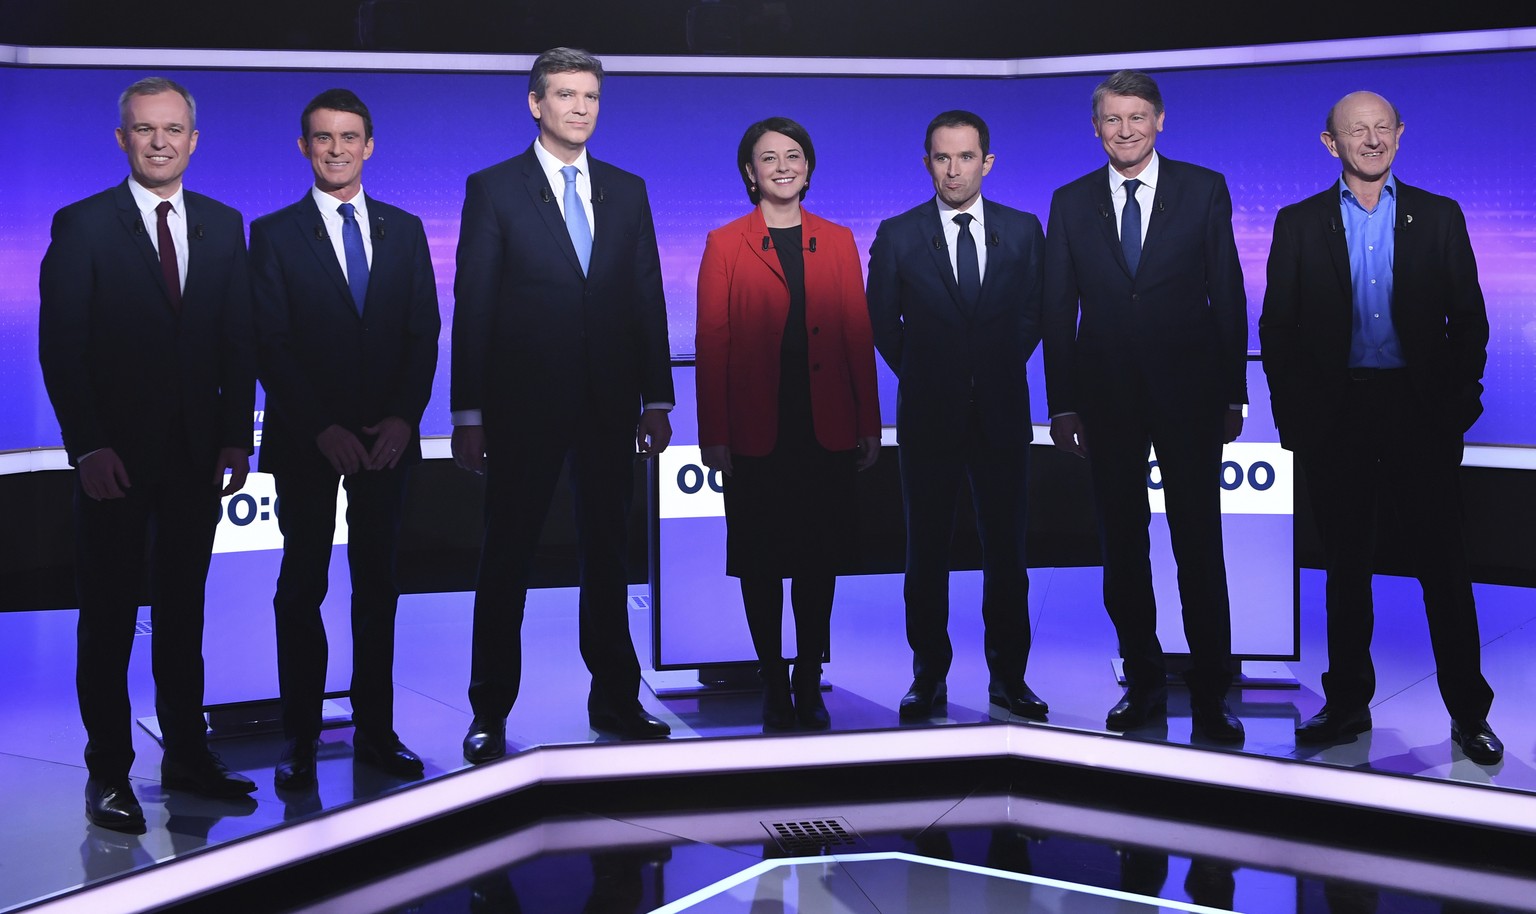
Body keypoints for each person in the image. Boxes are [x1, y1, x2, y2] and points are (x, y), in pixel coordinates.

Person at [39, 77, 257, 832]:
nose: (159, 141)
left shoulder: (226, 226)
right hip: (114, 463)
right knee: (105, 619)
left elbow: (237, 337)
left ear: (193, 140)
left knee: (183, 615)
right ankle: (109, 775)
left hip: (199, 457)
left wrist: (238, 434)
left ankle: (188, 756)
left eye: (172, 129)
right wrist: (88, 445)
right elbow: (62, 349)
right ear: (122, 139)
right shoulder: (84, 225)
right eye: (143, 129)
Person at [1259, 91, 1501, 764]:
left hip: (1419, 414)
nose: (1372, 140)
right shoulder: (1299, 223)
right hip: (1337, 419)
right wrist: (1297, 419)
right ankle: (1345, 707)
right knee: (1346, 571)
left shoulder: (1440, 217)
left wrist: (1457, 408)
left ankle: (1469, 714)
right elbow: (1277, 331)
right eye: (1355, 131)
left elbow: (1470, 322)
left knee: (1445, 570)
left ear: (1399, 134)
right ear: (1329, 143)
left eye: (1382, 128)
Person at [451, 47, 675, 762]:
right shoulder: (494, 189)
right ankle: (489, 711)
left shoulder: (627, 189)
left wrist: (657, 397)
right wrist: (468, 413)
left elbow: (646, 297)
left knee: (608, 558)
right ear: (535, 104)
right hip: (521, 410)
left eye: (591, 97)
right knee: (505, 559)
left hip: (611, 407)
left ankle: (615, 697)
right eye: (566, 95)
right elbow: (474, 305)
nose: (580, 108)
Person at [1042, 70, 1247, 742]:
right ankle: (1145, 682)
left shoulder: (1203, 187)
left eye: (1137, 117)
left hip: (1190, 395)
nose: (1125, 130)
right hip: (1105, 400)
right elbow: (1056, 309)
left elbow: (1227, 292)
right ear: (1095, 127)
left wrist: (1234, 391)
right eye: (1112, 119)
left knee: (1199, 542)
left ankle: (1214, 689)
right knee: (1122, 547)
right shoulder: (1070, 202)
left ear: (1160, 121)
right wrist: (1063, 404)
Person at [250, 88, 441, 789]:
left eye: (349, 137)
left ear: (369, 146)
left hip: (388, 441)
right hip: (308, 441)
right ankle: (298, 738)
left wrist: (402, 418)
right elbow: (269, 341)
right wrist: (319, 426)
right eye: (323, 138)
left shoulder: (406, 228)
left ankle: (375, 732)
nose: (336, 149)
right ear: (305, 147)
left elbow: (424, 333)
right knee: (301, 587)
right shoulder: (271, 233)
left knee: (378, 589)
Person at [695, 117, 881, 731]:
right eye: (768, 157)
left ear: (809, 167)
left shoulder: (838, 239)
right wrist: (714, 433)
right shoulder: (725, 243)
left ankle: (808, 675)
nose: (782, 166)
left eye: (793, 155)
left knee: (818, 558)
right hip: (755, 430)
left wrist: (869, 423)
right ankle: (772, 677)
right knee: (761, 559)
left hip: (824, 425)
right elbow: (712, 342)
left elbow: (857, 333)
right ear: (750, 172)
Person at [866, 110, 1048, 724]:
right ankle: (928, 677)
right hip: (928, 413)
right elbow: (881, 322)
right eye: (942, 158)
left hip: (1001, 412)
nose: (954, 169)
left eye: (966, 157)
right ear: (927, 163)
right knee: (925, 553)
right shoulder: (897, 234)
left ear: (986, 162)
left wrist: (987, 367)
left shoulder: (1024, 231)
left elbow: (1033, 315)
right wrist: (928, 371)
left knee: (1008, 554)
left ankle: (1009, 678)